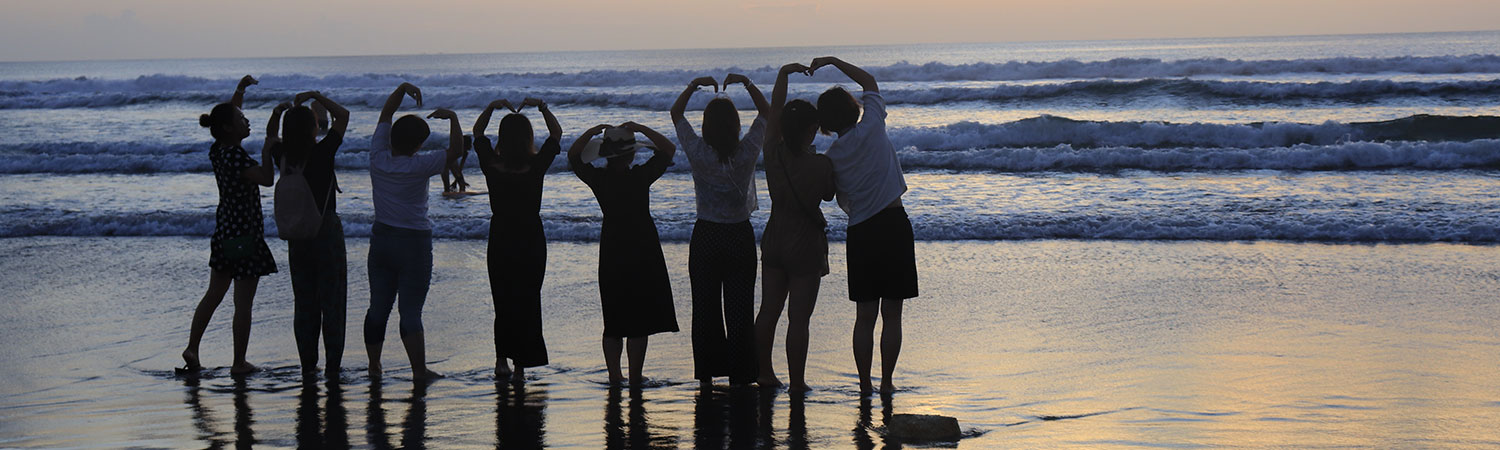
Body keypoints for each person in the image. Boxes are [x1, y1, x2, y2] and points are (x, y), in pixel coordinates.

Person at [812, 56, 919, 395]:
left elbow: (828, 195)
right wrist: (832, 61)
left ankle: (864, 384)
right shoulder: (872, 125)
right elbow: (870, 82)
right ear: (853, 108)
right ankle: (886, 382)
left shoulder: (831, 157)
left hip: (861, 233)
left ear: (826, 123)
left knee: (865, 316)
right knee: (893, 315)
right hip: (893, 223)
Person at [669, 74, 768, 386]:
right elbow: (767, 114)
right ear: (737, 126)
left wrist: (692, 86)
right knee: (739, 309)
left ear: (706, 127)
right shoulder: (747, 150)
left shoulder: (699, 153)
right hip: (739, 235)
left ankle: (707, 376)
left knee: (705, 309)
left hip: (707, 236)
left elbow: (676, 114)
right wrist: (748, 84)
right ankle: (740, 375)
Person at [363, 82, 466, 382]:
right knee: (410, 312)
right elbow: (457, 150)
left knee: (378, 307)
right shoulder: (421, 165)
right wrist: (453, 118)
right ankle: (419, 371)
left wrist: (402, 89)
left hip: (381, 238)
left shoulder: (377, 156)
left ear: (392, 137)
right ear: (418, 145)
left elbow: (386, 113)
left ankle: (374, 366)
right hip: (414, 243)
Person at [567, 121, 680, 387]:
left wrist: (591, 132)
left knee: (614, 316)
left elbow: (573, 156)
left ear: (605, 155)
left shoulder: (600, 179)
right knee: (639, 320)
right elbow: (668, 149)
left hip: (613, 247)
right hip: (642, 246)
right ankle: (635, 375)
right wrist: (641, 129)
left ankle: (614, 376)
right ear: (631, 154)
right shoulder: (640, 176)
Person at [182, 75, 276, 375]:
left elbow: (227, 115)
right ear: (227, 128)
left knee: (214, 294)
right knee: (243, 303)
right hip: (244, 237)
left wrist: (240, 91)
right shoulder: (235, 155)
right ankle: (239, 362)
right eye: (242, 119)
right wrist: (268, 148)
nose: (247, 122)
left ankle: (192, 348)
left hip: (224, 233)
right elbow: (266, 178)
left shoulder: (218, 150)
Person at [753, 63, 836, 392]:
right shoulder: (820, 165)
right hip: (805, 244)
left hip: (775, 238)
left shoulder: (772, 153)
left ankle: (764, 373)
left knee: (768, 311)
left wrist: (783, 75)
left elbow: (773, 114)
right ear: (810, 130)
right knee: (798, 319)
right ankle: (798, 382)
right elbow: (829, 195)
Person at [472, 97, 563, 382]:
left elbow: (477, 134)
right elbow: (556, 135)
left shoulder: (492, 165)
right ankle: (521, 365)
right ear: (527, 138)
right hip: (530, 237)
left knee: (503, 299)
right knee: (527, 299)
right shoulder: (535, 167)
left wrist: (490, 107)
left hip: (500, 235)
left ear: (502, 138)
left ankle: (501, 361)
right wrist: (543, 107)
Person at [268, 90, 351, 380]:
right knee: (333, 301)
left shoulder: (283, 155)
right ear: (313, 127)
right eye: (316, 121)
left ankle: (307, 365)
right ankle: (332, 367)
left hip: (297, 236)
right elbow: (344, 116)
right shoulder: (322, 152)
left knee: (304, 302)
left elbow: (270, 138)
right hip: (325, 232)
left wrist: (279, 113)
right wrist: (318, 95)